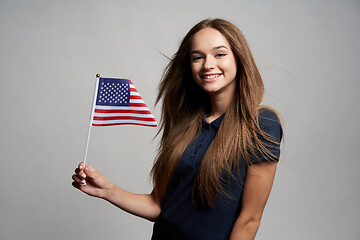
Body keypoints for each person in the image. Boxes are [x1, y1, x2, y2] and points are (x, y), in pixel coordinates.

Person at [72, 18, 283, 240]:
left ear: (239, 59)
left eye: (219, 54)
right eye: (197, 57)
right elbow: (160, 206)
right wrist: (107, 190)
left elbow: (250, 220)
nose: (208, 64)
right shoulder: (186, 125)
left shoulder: (261, 123)